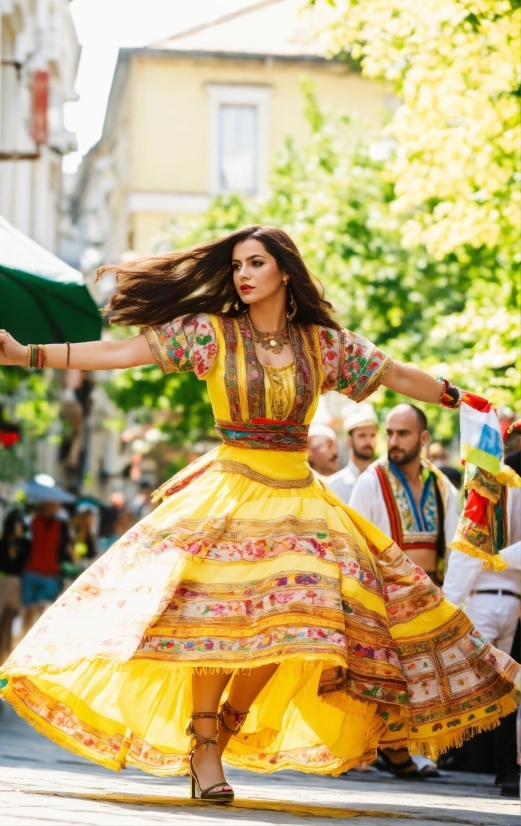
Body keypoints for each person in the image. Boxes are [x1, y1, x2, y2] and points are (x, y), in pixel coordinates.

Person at [0, 226, 518, 804]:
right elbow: (125, 352)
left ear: (284, 272)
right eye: (238, 265)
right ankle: (203, 745)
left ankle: (222, 729)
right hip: (229, 490)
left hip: (298, 494)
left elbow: (395, 373)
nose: (243, 275)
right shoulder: (211, 333)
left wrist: (467, 400)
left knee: (301, 628)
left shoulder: (322, 344)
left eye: (256, 263)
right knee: (211, 616)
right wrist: (28, 355)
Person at [21, 501, 73, 633]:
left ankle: (36, 641)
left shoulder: (61, 525)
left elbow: (65, 550)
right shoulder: (30, 522)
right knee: (28, 609)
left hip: (51, 574)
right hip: (31, 571)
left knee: (45, 613)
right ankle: (23, 638)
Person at [327, 404, 378, 503]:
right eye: (362, 435)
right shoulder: (333, 486)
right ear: (349, 440)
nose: (369, 441)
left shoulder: (385, 481)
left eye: (372, 435)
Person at [0, 510, 30, 663]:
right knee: (4, 620)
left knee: (10, 619)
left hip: (17, 584)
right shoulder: (4, 542)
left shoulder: (24, 544)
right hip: (5, 584)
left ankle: (5, 653)